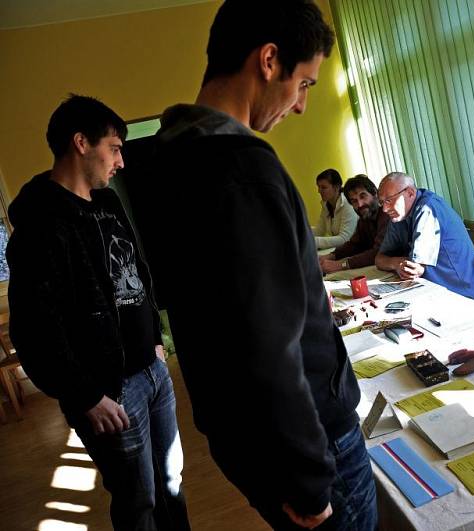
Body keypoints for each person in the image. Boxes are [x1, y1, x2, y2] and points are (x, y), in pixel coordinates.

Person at [128, 2, 377, 530]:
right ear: (268, 60)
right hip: (308, 440)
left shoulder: (163, 163)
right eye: (305, 84)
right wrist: (310, 480)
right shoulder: (242, 169)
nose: (303, 105)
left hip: (242, 436)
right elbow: (267, 342)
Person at [6, 95, 190, 530]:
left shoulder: (107, 203)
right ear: (80, 143)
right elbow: (33, 329)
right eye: (114, 147)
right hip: (110, 391)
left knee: (171, 482)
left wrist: (157, 341)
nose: (121, 161)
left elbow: (135, 271)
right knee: (137, 501)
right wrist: (85, 395)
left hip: (153, 372)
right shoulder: (41, 223)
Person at [375, 172, 474, 301]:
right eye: (382, 202)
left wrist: (396, 264)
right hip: (428, 289)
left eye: (389, 200)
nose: (385, 209)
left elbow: (415, 269)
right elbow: (379, 259)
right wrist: (396, 263)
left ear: (410, 193)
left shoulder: (428, 208)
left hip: (459, 294)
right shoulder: (399, 215)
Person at [318, 174, 390, 274]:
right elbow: (354, 245)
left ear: (375, 193)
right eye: (354, 201)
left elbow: (379, 252)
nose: (360, 204)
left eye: (363, 196)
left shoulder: (387, 214)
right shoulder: (364, 220)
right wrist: (331, 256)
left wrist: (341, 265)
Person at [313, 168, 358, 249]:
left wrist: (313, 241)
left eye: (323, 187)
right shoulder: (326, 204)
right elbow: (319, 230)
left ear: (336, 187)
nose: (319, 191)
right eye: (318, 187)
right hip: (343, 250)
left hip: (355, 250)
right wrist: (300, 232)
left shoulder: (348, 203)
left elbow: (345, 239)